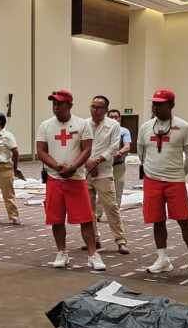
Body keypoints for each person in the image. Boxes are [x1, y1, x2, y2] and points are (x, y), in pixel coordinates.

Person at [137, 89, 188, 278]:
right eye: (154, 103)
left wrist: (179, 173)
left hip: (175, 181)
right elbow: (141, 151)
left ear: (171, 105)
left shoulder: (184, 127)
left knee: (184, 220)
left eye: (160, 104)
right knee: (157, 220)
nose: (155, 107)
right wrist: (151, 170)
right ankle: (163, 259)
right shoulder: (146, 127)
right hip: (152, 181)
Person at [35, 89, 105, 271]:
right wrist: (58, 167)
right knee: (56, 219)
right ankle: (62, 252)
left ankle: (92, 254)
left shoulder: (82, 124)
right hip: (54, 178)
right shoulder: (45, 126)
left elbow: (86, 149)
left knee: (85, 218)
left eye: (60, 104)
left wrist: (72, 167)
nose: (56, 107)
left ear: (70, 105)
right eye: (54, 104)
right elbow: (41, 151)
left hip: (76, 178)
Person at [83, 95, 129, 254]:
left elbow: (114, 147)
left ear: (106, 110)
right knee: (88, 209)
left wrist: (96, 161)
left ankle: (121, 240)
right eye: (92, 106)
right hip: (85, 170)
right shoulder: (84, 124)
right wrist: (88, 163)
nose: (95, 110)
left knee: (111, 206)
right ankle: (94, 238)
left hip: (103, 171)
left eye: (99, 107)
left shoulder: (113, 125)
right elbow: (80, 147)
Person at [99, 108, 131, 220]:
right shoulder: (102, 130)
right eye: (111, 117)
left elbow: (127, 146)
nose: (113, 119)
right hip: (103, 165)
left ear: (120, 119)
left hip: (118, 165)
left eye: (115, 117)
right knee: (101, 190)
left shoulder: (124, 131)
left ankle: (113, 216)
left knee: (117, 190)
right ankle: (97, 215)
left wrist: (119, 152)